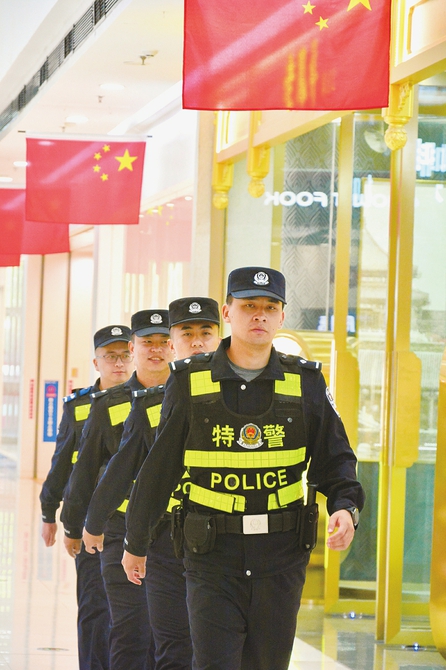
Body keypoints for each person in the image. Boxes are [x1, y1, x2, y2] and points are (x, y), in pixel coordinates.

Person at [122, 267, 365, 670]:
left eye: (269, 307)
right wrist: (136, 540)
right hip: (210, 554)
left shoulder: (305, 381)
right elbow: (161, 467)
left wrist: (345, 505)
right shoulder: (189, 381)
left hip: (281, 555)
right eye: (249, 305)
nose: (259, 315)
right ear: (227, 312)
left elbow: (335, 457)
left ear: (281, 316)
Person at [83, 297, 221, 670]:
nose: (196, 342)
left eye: (205, 332)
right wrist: (95, 523)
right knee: (162, 640)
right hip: (162, 535)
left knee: (213, 645)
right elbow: (126, 470)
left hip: (225, 540)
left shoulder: (242, 395)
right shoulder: (146, 404)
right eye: (186, 334)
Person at [62, 310, 172, 670]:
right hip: (118, 526)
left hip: (176, 531)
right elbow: (85, 470)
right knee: (131, 629)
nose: (155, 350)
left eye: (163, 342)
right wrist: (74, 524)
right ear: (133, 347)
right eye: (147, 342)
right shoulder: (109, 406)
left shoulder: (189, 397)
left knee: (169, 634)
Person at [40, 324, 133, 670]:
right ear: (96, 362)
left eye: (124, 355)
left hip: (136, 521)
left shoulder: (152, 401)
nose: (119, 363)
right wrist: (50, 512)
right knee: (96, 606)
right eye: (110, 356)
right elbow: (63, 462)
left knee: (137, 611)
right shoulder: (79, 406)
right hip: (94, 522)